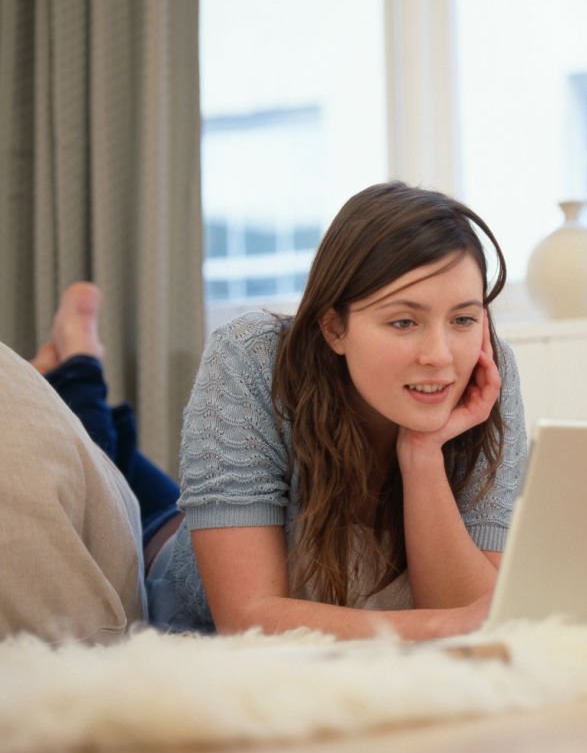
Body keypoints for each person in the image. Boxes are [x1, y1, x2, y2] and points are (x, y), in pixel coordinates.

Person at [147, 182, 528, 640]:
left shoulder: (487, 372)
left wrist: (422, 453)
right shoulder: (251, 359)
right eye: (403, 321)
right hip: (174, 563)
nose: (440, 356)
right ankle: (79, 367)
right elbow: (243, 618)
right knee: (118, 467)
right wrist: (440, 625)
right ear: (334, 328)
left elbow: (472, 612)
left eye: (463, 319)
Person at [0, 285, 150, 643]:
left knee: (104, 456)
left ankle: (74, 369)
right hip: (174, 531)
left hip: (166, 530)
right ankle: (77, 366)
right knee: (101, 458)